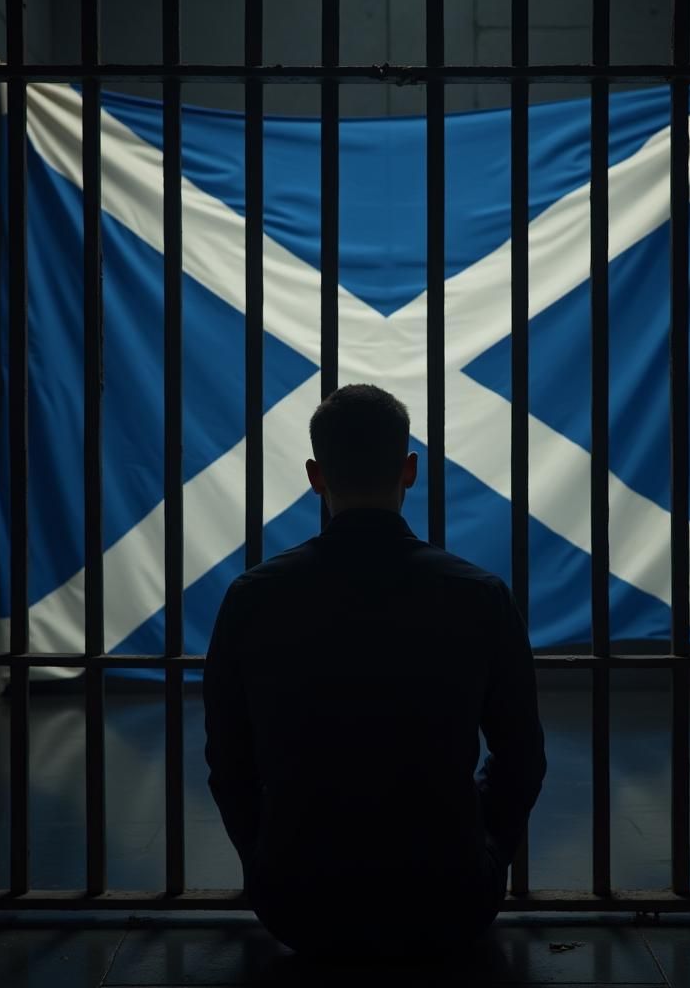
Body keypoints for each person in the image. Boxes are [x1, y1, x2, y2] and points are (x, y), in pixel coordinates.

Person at [203, 384, 546, 962]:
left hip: (297, 903)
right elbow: (522, 758)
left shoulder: (253, 598)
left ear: (315, 475)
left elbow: (227, 761)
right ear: (409, 470)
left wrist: (267, 858)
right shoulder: (479, 596)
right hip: (451, 899)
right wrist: (481, 849)